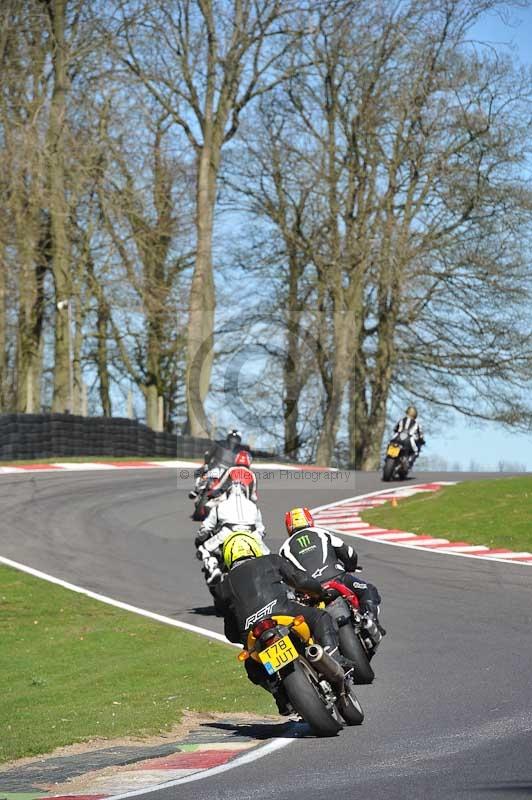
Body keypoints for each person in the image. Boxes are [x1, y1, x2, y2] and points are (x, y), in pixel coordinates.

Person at [217, 532, 350, 714]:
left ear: (227, 557)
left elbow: (230, 632)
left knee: (252, 666)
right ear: (254, 547)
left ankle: (280, 696)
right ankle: (334, 658)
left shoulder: (221, 587)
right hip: (283, 613)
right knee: (321, 617)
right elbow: (300, 580)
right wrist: (319, 592)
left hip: (253, 634)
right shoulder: (271, 560)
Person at [279, 507, 386, 638]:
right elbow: (350, 554)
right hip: (337, 578)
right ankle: (371, 621)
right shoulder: (321, 533)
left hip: (309, 592)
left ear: (288, 527)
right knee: (368, 590)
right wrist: (350, 566)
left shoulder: (284, 549)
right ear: (309, 520)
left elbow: (285, 577)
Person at [194, 482, 267, 584]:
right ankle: (271, 577)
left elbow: (205, 528)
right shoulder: (254, 507)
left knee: (203, 550)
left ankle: (213, 569)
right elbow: (262, 530)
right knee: (269, 558)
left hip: (227, 533)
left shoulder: (219, 506)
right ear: (245, 493)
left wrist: (200, 538)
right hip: (252, 535)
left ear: (227, 494)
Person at [189, 429, 248, 499]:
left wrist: (206, 463)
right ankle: (197, 489)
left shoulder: (219, 443)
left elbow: (208, 454)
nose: (233, 440)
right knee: (199, 472)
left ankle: (196, 490)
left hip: (218, 468)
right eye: (233, 438)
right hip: (225, 470)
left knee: (199, 471)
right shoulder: (242, 449)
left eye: (235, 439)